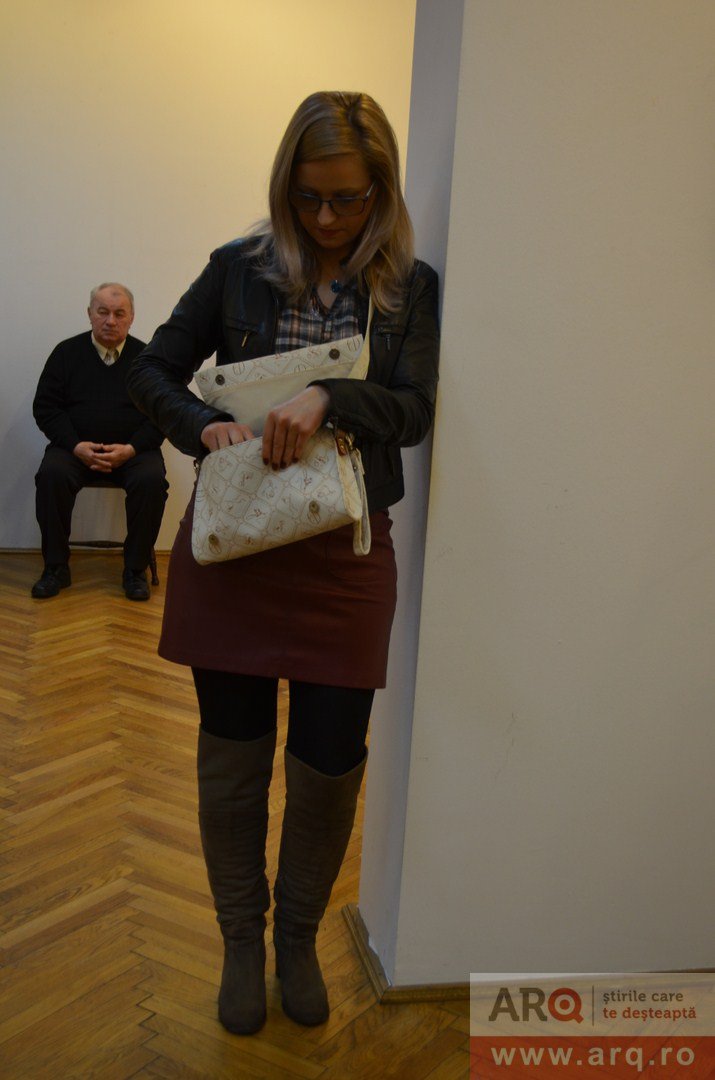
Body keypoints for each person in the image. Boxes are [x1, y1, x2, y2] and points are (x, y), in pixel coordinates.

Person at [128, 91, 439, 1034]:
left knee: (329, 762)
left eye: (348, 198)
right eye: (308, 197)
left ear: (381, 190)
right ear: (284, 188)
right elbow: (151, 368)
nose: (328, 218)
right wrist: (203, 425)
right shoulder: (236, 267)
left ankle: (296, 940)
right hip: (234, 550)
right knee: (232, 759)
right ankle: (239, 940)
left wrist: (331, 397)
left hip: (345, 555)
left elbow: (413, 411)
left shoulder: (408, 285)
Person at [32, 283, 168, 601]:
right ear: (90, 314)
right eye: (103, 312)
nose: (110, 320)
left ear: (131, 317)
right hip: (75, 449)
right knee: (51, 474)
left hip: (132, 451)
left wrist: (131, 449)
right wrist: (74, 445)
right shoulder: (66, 353)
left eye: (119, 313)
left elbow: (162, 413)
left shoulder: (148, 359)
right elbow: (46, 407)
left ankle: (134, 570)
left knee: (151, 480)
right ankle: (56, 567)